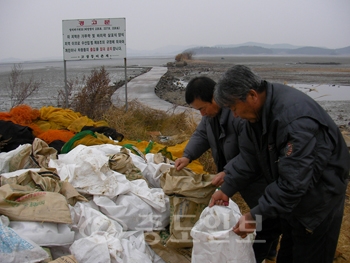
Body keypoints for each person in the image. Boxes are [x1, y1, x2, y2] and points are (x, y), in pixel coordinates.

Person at [210, 65, 350, 263]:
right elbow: (250, 157)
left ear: (251, 95)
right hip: (294, 203)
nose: (234, 115)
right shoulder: (256, 115)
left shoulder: (294, 120)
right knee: (288, 255)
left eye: (234, 108)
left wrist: (253, 218)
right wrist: (227, 188)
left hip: (318, 200)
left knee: (309, 255)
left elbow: (293, 183)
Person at [175, 76, 280, 263]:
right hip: (238, 174)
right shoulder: (211, 116)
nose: (201, 114)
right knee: (263, 217)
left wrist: (229, 172)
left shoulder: (238, 114)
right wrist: (187, 155)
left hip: (256, 175)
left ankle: (262, 253)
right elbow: (202, 135)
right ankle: (269, 249)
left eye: (202, 108)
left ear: (214, 99)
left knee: (265, 217)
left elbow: (251, 153)